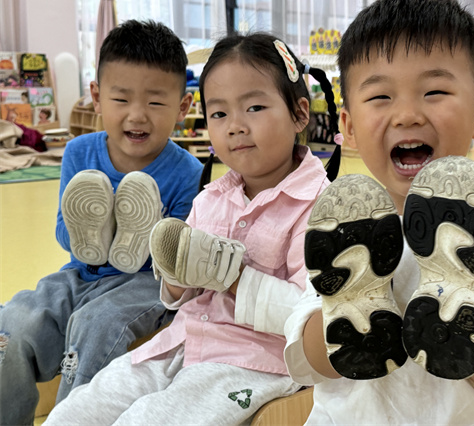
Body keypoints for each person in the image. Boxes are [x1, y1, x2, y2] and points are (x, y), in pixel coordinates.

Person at [284, 0, 474, 425]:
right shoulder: (339, 228)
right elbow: (312, 360)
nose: (407, 115)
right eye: (380, 97)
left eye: (434, 91)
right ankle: (356, 308)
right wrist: (348, 302)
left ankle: (467, 298)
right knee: (333, 317)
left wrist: (473, 304)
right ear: (349, 127)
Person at [45, 32, 341, 425]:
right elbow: (178, 299)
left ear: (300, 114)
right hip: (181, 344)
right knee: (78, 410)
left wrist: (232, 277)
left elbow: (314, 315)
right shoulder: (211, 197)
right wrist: (176, 276)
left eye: (254, 107)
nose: (235, 126)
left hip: (252, 362)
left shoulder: (320, 207)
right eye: (219, 114)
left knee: (146, 420)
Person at [0, 19, 203, 425]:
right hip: (80, 272)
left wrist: (153, 239)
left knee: (96, 324)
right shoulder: (79, 153)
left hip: (146, 283)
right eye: (121, 99)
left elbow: (177, 259)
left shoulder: (189, 172)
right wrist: (88, 238)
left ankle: (72, 419)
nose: (137, 116)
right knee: (14, 321)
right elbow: (64, 230)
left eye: (156, 103)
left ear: (183, 107)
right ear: (96, 97)